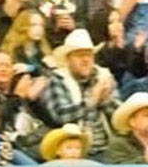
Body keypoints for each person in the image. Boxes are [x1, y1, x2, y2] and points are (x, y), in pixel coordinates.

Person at [40, 29, 119, 159]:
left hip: (108, 149)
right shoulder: (57, 80)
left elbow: (120, 118)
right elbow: (60, 116)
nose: (86, 60)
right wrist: (92, 100)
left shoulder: (104, 77)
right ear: (67, 59)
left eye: (89, 55)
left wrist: (105, 100)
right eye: (79, 55)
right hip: (75, 154)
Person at [96, 9, 148, 90]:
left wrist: (138, 50)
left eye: (119, 21)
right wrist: (117, 48)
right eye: (111, 22)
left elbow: (140, 73)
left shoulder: (129, 46)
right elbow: (118, 75)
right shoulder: (101, 52)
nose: (117, 25)